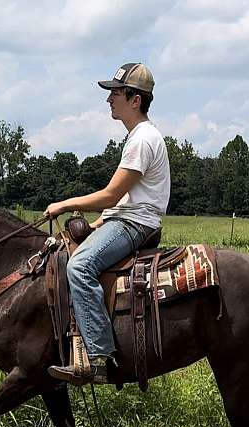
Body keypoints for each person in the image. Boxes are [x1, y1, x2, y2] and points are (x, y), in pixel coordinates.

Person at [45, 62, 171, 385]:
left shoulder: (143, 139)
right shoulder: (139, 137)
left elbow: (111, 194)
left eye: (115, 93)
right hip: (128, 219)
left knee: (79, 266)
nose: (109, 100)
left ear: (135, 100)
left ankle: (99, 357)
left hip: (135, 226)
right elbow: (126, 199)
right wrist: (100, 222)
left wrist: (65, 204)